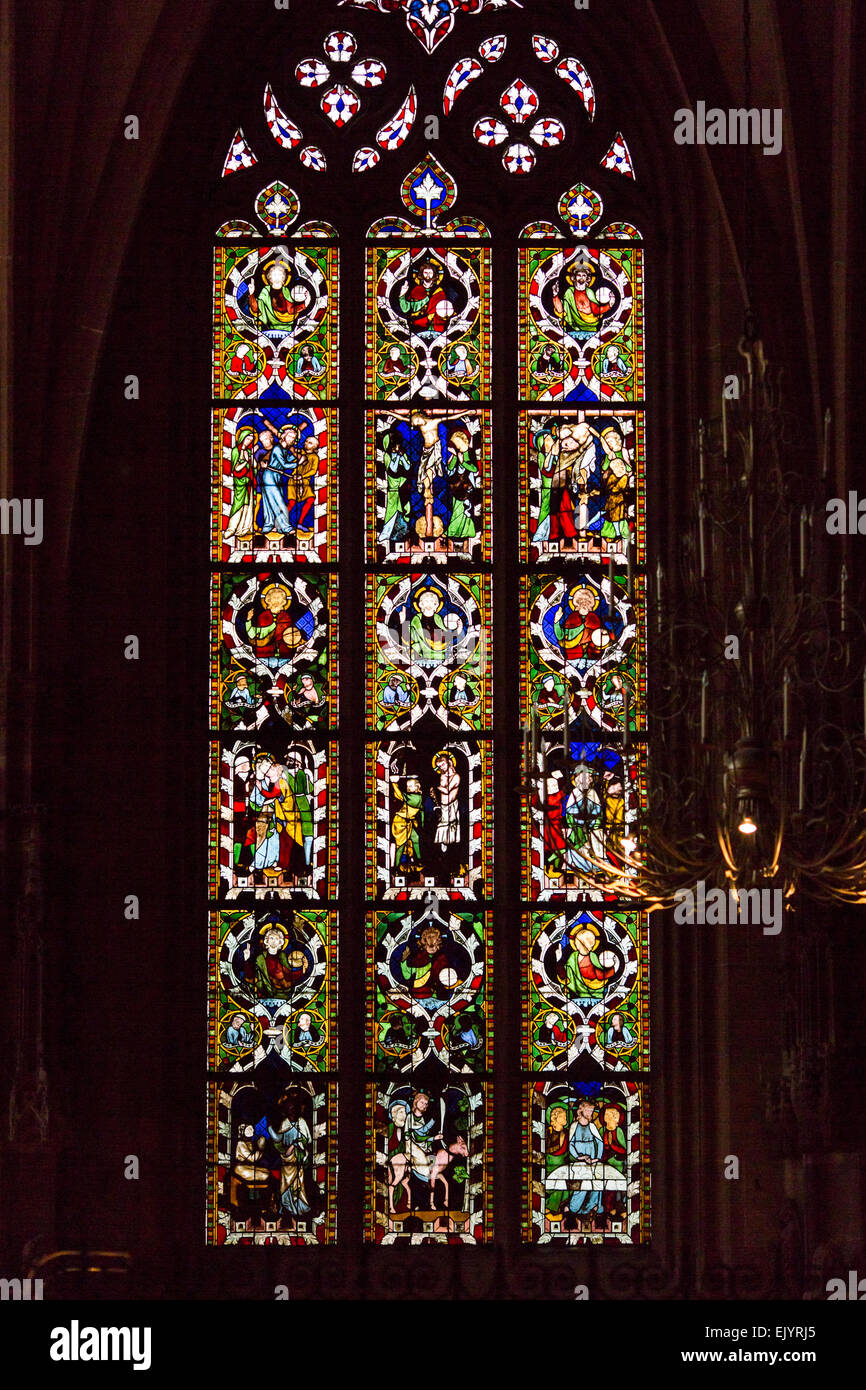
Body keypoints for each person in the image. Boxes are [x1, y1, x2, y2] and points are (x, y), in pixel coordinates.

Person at [268, 1095, 313, 1223]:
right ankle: (286, 1207)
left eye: (294, 1108)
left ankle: (299, 1208)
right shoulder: (284, 1123)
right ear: (286, 1110)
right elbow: (278, 1140)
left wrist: (298, 1142)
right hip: (286, 1160)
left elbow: (308, 1139)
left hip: (298, 1159)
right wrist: (270, 1129)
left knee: (298, 1185)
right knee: (284, 1186)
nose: (292, 1110)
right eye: (289, 1108)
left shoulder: (302, 1122)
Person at [553, 260, 614, 340]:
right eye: (579, 275)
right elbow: (561, 311)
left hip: (592, 326)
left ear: (587, 278)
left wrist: (610, 304)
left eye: (584, 275)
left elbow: (596, 310)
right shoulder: (569, 292)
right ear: (574, 278)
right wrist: (555, 295)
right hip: (573, 327)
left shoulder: (589, 292)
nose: (581, 277)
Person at [566, 1097, 605, 1219]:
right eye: (588, 1111)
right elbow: (570, 1144)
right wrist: (579, 1157)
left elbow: (600, 1142)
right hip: (578, 1160)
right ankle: (574, 1208)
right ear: (580, 1111)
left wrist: (597, 1158)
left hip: (592, 1159)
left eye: (591, 1111)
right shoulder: (574, 1126)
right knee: (582, 1184)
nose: (590, 1114)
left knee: (596, 1182)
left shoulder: (592, 1126)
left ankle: (592, 1206)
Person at [249, 259, 311, 334]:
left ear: (283, 277)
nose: (277, 278)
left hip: (288, 328)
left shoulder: (286, 291)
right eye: (274, 275)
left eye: (279, 275)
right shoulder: (265, 291)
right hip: (270, 330)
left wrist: (305, 303)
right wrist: (251, 293)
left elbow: (291, 310)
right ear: (270, 277)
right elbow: (256, 309)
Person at [398, 258, 455, 335]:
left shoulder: (439, 291)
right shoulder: (416, 290)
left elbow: (444, 310)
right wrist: (402, 295)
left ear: (434, 274)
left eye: (430, 272)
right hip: (418, 326)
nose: (428, 275)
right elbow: (406, 309)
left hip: (436, 326)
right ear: (421, 274)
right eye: (425, 272)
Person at [224, 425, 258, 544]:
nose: (249, 441)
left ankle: (246, 528)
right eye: (248, 439)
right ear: (242, 438)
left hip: (249, 482)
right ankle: (231, 529)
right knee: (238, 505)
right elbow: (236, 468)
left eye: (251, 440)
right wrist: (245, 461)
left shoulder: (248, 451)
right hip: (240, 483)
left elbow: (254, 467)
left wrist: (252, 456)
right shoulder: (235, 451)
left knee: (249, 505)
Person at [390, 776, 424, 873]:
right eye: (407, 786)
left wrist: (394, 783)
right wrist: (394, 784)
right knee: (401, 844)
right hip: (400, 822)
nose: (408, 788)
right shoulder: (413, 797)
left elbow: (400, 796)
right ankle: (396, 866)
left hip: (408, 822)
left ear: (417, 787)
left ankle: (419, 860)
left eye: (411, 786)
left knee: (415, 838)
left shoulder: (416, 797)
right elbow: (399, 796)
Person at [433, 752, 461, 850]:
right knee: (443, 824)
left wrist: (435, 786)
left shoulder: (456, 776)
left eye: (443, 764)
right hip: (443, 805)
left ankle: (451, 848)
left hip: (452, 805)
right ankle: (444, 844)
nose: (442, 767)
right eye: (439, 766)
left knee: (450, 824)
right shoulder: (442, 776)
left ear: (449, 762)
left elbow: (446, 790)